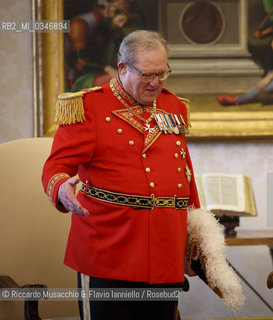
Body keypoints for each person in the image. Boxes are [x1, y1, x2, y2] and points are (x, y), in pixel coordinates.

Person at [42, 30, 200, 320]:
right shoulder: (88, 107)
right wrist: (62, 188)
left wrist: (194, 241)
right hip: (108, 254)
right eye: (148, 74)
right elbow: (56, 166)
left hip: (164, 253)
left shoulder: (174, 106)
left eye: (163, 73)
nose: (156, 83)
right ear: (123, 68)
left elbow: (184, 174)